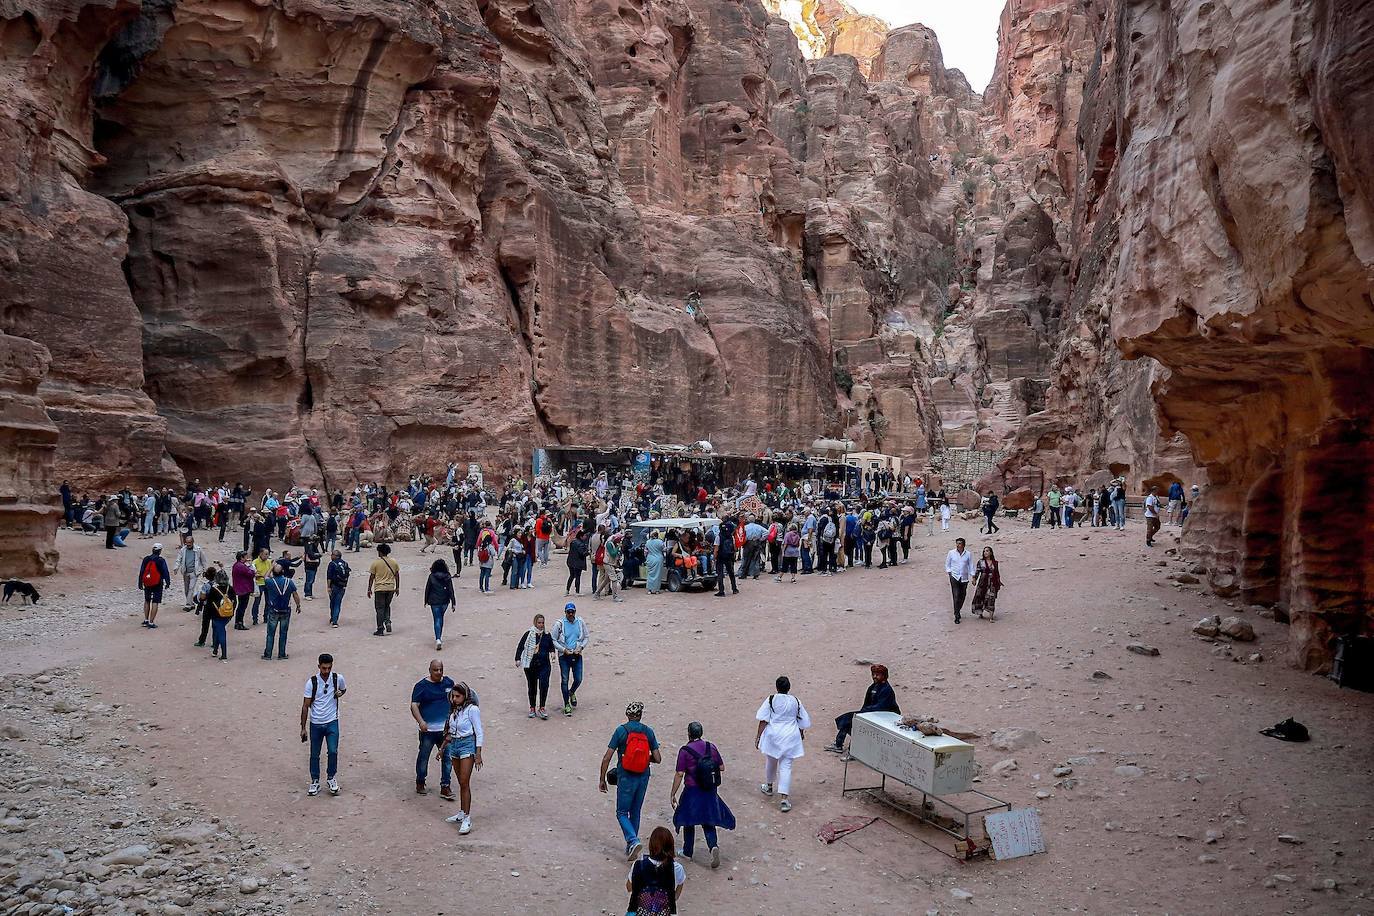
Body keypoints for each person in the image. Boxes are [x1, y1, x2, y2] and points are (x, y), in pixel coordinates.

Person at [600, 701, 661, 860]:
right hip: (643, 776)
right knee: (635, 811)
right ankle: (630, 846)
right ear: (640, 716)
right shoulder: (648, 732)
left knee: (621, 812)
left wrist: (602, 778)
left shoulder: (621, 731)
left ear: (627, 715)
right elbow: (658, 758)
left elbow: (607, 757)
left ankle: (633, 840)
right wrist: (643, 758)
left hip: (625, 776)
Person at [671, 721, 735, 868]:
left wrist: (673, 793)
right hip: (709, 790)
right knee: (708, 820)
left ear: (688, 733)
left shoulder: (685, 751)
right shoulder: (710, 747)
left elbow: (680, 774)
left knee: (688, 820)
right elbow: (721, 767)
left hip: (692, 790)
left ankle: (687, 851)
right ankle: (713, 846)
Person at [755, 676, 810, 813]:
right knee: (786, 767)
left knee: (771, 761)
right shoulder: (796, 701)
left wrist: (758, 736)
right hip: (790, 736)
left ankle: (768, 786)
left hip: (774, 735)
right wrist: (801, 732)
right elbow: (802, 719)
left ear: (777, 687)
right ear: (789, 688)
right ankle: (784, 799)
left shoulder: (771, 699)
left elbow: (763, 720)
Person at [440, 682, 484, 834]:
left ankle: (467, 817)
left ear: (465, 696)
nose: (454, 699)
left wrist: (478, 753)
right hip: (455, 746)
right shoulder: (454, 712)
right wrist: (442, 749)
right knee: (461, 782)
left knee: (465, 782)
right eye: (453, 696)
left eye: (458, 696)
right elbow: (450, 732)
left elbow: (479, 732)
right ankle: (462, 812)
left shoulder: (472, 710)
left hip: (467, 745)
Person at [826, 664, 900, 753]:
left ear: (884, 676)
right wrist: (861, 714)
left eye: (877, 675)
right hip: (872, 713)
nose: (875, 677)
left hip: (885, 716)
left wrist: (864, 713)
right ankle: (838, 744)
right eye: (873, 674)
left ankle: (853, 751)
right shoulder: (873, 687)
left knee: (856, 725)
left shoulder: (886, 690)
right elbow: (867, 703)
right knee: (847, 720)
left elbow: (881, 707)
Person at [301, 653, 346, 797]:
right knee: (315, 754)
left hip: (332, 721)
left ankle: (331, 777)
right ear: (318, 666)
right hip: (316, 722)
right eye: (323, 668)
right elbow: (305, 705)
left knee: (333, 751)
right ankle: (315, 780)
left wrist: (340, 693)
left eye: (329, 668)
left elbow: (343, 689)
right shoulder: (311, 683)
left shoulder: (337, 678)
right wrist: (302, 728)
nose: (326, 671)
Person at [409, 659, 455, 796]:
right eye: (435, 670)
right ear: (430, 670)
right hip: (428, 731)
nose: (439, 672)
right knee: (424, 756)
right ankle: (420, 781)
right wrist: (421, 721)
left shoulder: (448, 683)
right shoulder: (421, 686)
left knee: (448, 757)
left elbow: (455, 700)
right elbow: (414, 705)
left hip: (445, 730)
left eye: (441, 669)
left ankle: (445, 786)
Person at [625, 826, 686, 915]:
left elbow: (629, 888)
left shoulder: (638, 865)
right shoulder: (677, 868)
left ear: (651, 845)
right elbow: (677, 893)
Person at [515, 613, 556, 719]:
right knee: (532, 687)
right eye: (539, 623)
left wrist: (552, 653)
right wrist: (518, 658)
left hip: (544, 665)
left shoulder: (547, 635)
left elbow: (551, 646)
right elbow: (520, 646)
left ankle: (542, 707)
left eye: (542, 623)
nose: (541, 625)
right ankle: (532, 708)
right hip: (531, 665)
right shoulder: (528, 634)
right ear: (535, 623)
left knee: (544, 685)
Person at [552, 602, 588, 716]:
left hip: (577, 654)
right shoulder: (559, 624)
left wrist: (581, 647)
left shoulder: (580, 622)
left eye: (572, 611)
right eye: (569, 612)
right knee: (564, 680)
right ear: (565, 613)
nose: (571, 614)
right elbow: (553, 639)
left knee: (578, 678)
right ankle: (566, 703)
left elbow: (586, 637)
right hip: (564, 655)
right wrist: (563, 649)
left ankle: (571, 692)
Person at [261, 563, 301, 660]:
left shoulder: (270, 582)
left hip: (273, 610)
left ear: (273, 573)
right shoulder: (289, 582)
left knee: (270, 633)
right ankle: (281, 653)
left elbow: (265, 576)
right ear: (283, 572)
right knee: (283, 633)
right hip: (286, 610)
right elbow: (295, 594)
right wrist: (298, 605)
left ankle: (268, 654)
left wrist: (271, 567)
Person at [367, 543, 401, 636]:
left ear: (380, 552)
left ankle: (380, 628)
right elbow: (397, 575)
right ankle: (388, 621)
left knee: (379, 608)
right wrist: (397, 587)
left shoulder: (376, 563)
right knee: (387, 606)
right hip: (390, 588)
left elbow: (372, 577)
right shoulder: (394, 562)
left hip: (379, 588)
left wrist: (369, 589)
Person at [424, 558, 456, 650]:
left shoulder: (431, 576)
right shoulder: (448, 576)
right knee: (441, 618)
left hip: (434, 601)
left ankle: (438, 638)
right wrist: (453, 602)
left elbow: (427, 589)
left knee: (436, 619)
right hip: (444, 600)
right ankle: (439, 637)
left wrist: (425, 600)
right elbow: (451, 590)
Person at [137, 543, 171, 629]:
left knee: (147, 600)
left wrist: (140, 582)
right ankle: (151, 622)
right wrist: (168, 582)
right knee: (155, 602)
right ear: (160, 551)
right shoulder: (161, 560)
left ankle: (146, 620)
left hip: (147, 583)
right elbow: (165, 572)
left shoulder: (146, 559)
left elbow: (142, 571)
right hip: (157, 583)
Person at [174, 535, 207, 610]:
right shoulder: (183, 550)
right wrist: (176, 568)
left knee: (191, 588)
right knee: (186, 589)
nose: (188, 544)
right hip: (185, 572)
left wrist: (205, 570)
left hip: (194, 572)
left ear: (193, 542)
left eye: (189, 542)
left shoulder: (198, 550)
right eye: (187, 542)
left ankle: (188, 605)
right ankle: (191, 603)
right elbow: (178, 559)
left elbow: (203, 561)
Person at [945, 537, 973, 624]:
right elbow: (947, 564)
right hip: (954, 576)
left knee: (963, 595)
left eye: (960, 543)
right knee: (956, 596)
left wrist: (973, 575)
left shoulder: (968, 554)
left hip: (964, 577)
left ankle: (958, 609)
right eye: (957, 543)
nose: (958, 545)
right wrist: (949, 573)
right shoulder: (951, 553)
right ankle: (956, 615)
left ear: (963, 545)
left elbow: (971, 565)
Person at [971, 546, 1003, 620]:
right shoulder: (981, 562)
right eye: (984, 551)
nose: (985, 552)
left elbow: (997, 573)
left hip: (992, 583)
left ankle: (991, 617)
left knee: (991, 599)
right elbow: (977, 571)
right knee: (980, 597)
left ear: (991, 552)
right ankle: (980, 613)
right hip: (982, 583)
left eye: (987, 551)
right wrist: (974, 579)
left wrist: (998, 582)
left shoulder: (995, 563)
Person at [714, 514, 738, 597]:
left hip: (721, 556)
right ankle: (734, 589)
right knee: (731, 572)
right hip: (729, 555)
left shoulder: (719, 536)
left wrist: (715, 557)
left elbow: (716, 548)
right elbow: (734, 547)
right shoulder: (731, 537)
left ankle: (721, 591)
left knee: (720, 573)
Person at [231, 551, 255, 630]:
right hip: (244, 589)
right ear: (242, 558)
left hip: (240, 588)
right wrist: (251, 567)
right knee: (242, 606)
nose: (247, 558)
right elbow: (251, 573)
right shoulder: (241, 566)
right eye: (245, 557)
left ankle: (237, 622)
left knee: (240, 606)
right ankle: (239, 623)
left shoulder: (236, 565)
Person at [325, 550, 350, 628]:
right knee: (338, 603)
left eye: (332, 555)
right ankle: (335, 621)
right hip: (342, 586)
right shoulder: (345, 564)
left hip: (334, 586)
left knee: (332, 603)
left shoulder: (332, 564)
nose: (331, 556)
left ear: (336, 556)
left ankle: (333, 618)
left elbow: (329, 576)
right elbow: (347, 575)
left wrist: (328, 587)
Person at [565, 528, 589, 595]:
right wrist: (588, 552)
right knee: (578, 576)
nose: (585, 537)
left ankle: (567, 590)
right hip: (578, 562)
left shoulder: (573, 542)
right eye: (584, 536)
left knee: (571, 576)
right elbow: (582, 553)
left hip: (570, 561)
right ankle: (577, 591)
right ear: (581, 536)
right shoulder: (581, 544)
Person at [644, 529, 666, 594]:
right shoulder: (660, 542)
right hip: (658, 559)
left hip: (650, 558)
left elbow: (645, 552)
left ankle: (649, 590)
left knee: (650, 574)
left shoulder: (647, 542)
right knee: (658, 575)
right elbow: (664, 549)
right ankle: (656, 590)